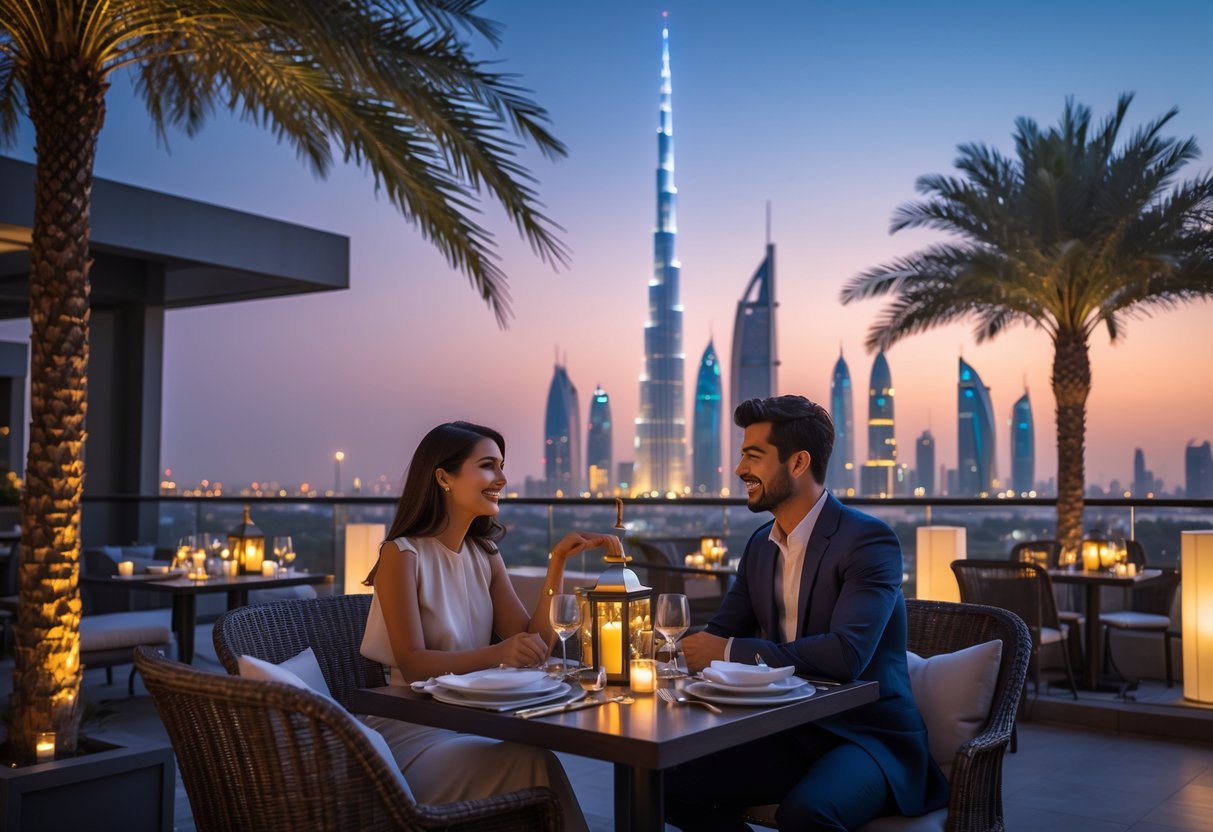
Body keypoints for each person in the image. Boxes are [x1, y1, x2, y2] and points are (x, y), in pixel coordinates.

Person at [668, 396, 949, 831]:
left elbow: (845, 656)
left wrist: (725, 650)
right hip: (788, 732)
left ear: (798, 463)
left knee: (807, 813)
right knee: (666, 782)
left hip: (867, 738)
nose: (741, 469)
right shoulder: (760, 547)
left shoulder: (868, 541)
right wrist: (659, 647)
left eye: (753, 456)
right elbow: (720, 632)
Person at [360, 421, 614, 830]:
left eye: (501, 466)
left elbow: (534, 643)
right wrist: (497, 654)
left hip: (467, 721)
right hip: (414, 733)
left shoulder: (485, 553)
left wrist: (557, 563)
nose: (502, 478)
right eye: (488, 466)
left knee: (531, 755)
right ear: (444, 477)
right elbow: (412, 665)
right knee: (532, 760)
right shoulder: (400, 555)